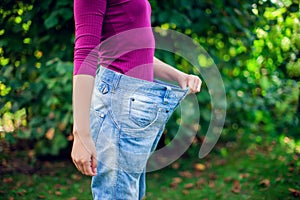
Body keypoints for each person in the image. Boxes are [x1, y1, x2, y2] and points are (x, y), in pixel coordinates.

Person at [71, 0, 202, 199]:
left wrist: (179, 76)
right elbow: (85, 55)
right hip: (118, 104)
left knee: (129, 193)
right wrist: (81, 134)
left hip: (137, 105)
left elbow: (137, 51)